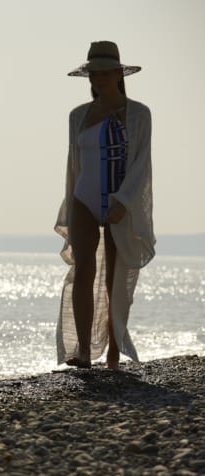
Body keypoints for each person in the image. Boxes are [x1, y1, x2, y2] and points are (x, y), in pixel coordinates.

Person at [55, 41, 155, 370]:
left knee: (114, 276)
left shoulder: (139, 114)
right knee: (84, 269)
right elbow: (74, 165)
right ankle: (83, 350)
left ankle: (113, 350)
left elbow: (141, 163)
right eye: (93, 74)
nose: (98, 79)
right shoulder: (77, 116)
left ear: (117, 73)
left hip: (119, 201)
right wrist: (70, 207)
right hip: (84, 198)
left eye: (104, 73)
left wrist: (124, 202)